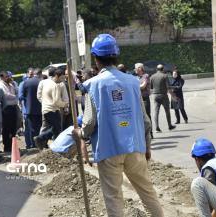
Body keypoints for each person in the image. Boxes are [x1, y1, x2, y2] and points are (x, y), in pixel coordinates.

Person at [72, 33, 164, 217]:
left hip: (109, 151)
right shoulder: (132, 82)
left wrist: (80, 134)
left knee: (114, 199)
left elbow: (89, 122)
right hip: (136, 146)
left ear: (96, 59)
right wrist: (147, 145)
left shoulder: (92, 85)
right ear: (116, 56)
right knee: (148, 193)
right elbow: (145, 120)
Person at [34, 67, 69, 150]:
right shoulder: (55, 86)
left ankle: (42, 139)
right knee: (57, 129)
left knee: (55, 128)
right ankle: (42, 139)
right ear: (57, 76)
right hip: (52, 109)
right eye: (62, 78)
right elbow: (56, 102)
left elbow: (40, 96)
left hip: (46, 109)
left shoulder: (45, 82)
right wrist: (65, 104)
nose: (63, 80)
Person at [0, 71, 19, 153]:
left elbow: (17, 91)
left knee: (13, 128)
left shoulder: (11, 84)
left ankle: (13, 146)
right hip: (6, 109)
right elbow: (6, 95)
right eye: (6, 77)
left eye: (9, 76)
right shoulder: (0, 85)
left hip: (13, 107)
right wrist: (15, 96)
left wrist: (13, 84)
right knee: (6, 128)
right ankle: (7, 146)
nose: (8, 78)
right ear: (2, 77)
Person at [150, 64, 176, 132]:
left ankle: (157, 127)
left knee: (156, 112)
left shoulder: (152, 76)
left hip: (155, 95)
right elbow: (168, 87)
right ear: (163, 69)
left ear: (156, 69)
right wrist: (173, 96)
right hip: (163, 95)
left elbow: (151, 87)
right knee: (167, 111)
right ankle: (169, 125)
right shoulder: (165, 76)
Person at [21, 68, 42, 149]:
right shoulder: (41, 82)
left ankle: (34, 144)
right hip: (41, 108)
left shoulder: (26, 82)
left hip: (30, 109)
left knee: (32, 128)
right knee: (41, 127)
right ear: (40, 74)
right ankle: (41, 143)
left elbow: (22, 96)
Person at [135, 63, 153, 139]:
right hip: (138, 99)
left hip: (145, 99)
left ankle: (150, 133)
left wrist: (135, 87)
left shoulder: (146, 76)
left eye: (136, 68)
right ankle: (143, 134)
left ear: (140, 68)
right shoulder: (135, 77)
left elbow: (143, 86)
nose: (135, 69)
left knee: (147, 116)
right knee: (139, 117)